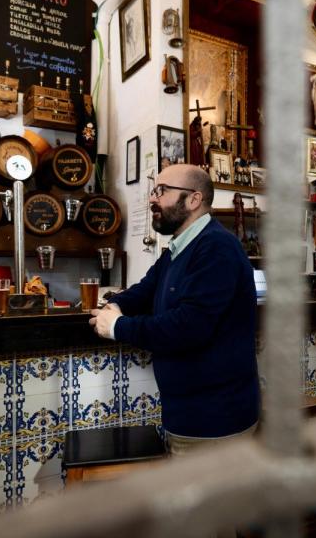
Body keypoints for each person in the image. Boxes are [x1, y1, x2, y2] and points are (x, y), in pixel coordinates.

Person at [88, 164, 260, 454]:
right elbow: (144, 290)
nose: (152, 199)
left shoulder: (217, 248)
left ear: (193, 200)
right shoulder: (179, 249)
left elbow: (188, 327)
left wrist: (117, 326)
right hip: (190, 417)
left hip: (216, 423)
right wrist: (114, 305)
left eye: (163, 191)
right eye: (154, 190)